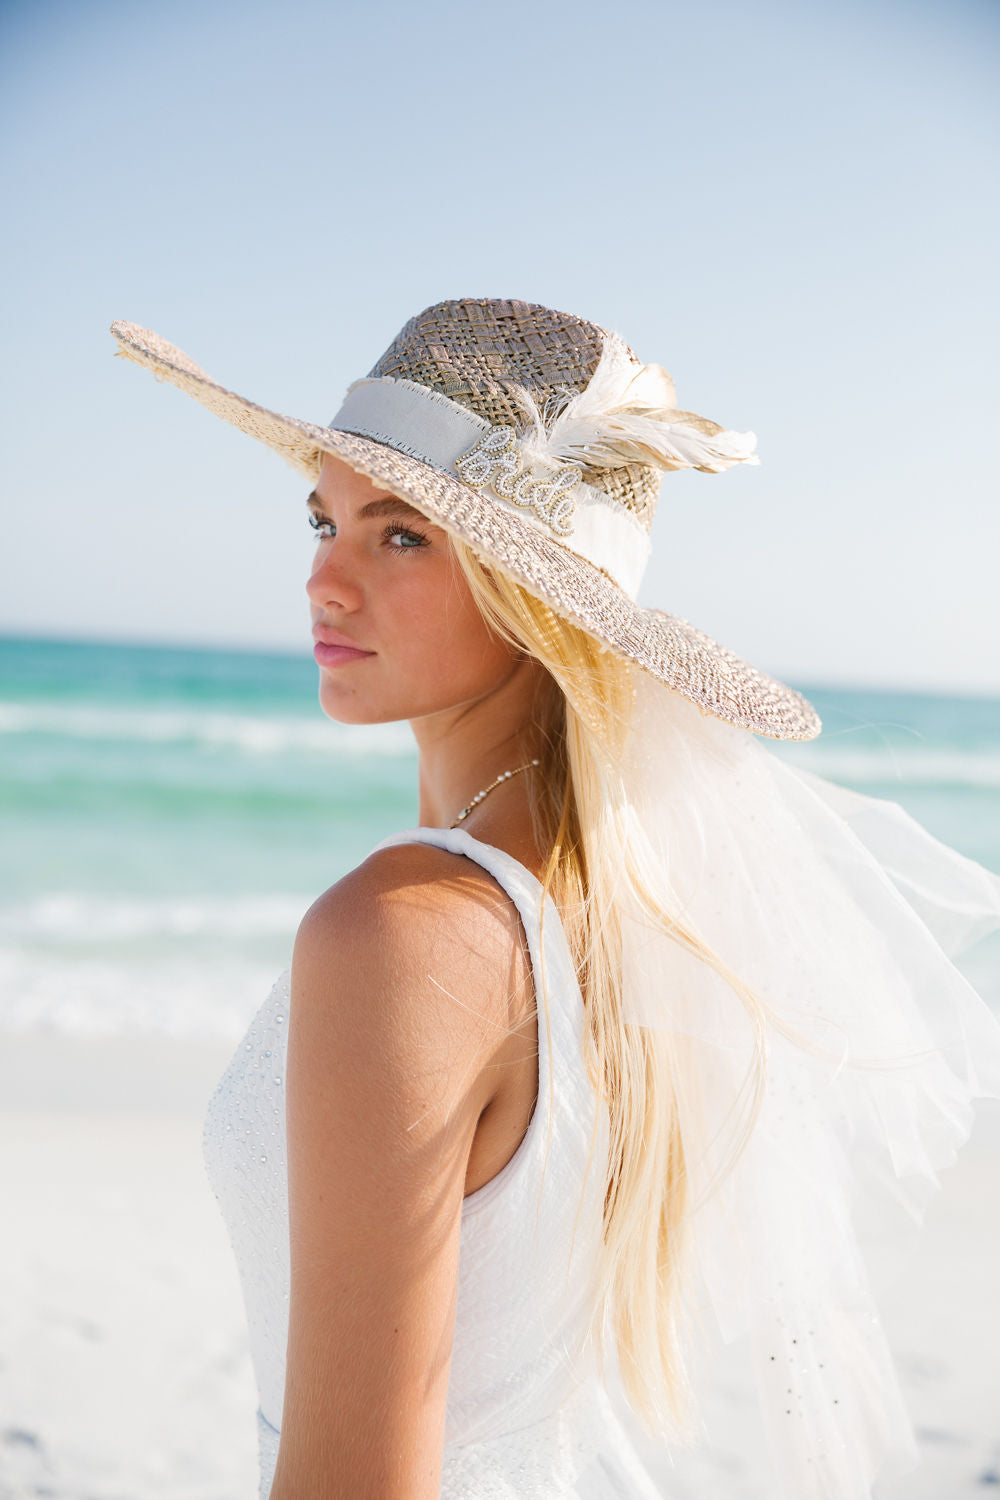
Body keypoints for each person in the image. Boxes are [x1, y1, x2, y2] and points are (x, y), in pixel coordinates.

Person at [110, 297, 1000, 1500]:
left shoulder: (407, 936)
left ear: (532, 593)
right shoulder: (590, 908)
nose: (324, 580)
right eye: (323, 520)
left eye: (403, 535)